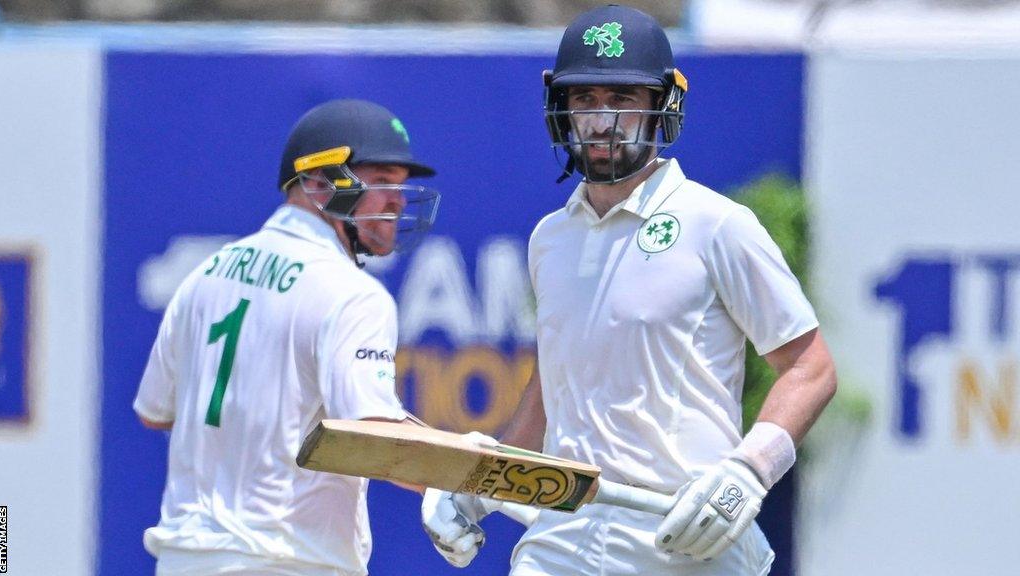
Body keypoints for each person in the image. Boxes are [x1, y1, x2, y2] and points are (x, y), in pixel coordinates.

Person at [421, 4, 837, 575]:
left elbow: (810, 368)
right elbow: (553, 390)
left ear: (662, 105)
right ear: (560, 109)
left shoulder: (715, 224)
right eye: (585, 101)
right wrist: (482, 485)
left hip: (685, 537)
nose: (602, 120)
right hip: (562, 536)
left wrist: (748, 472)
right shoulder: (551, 239)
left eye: (622, 99)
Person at [134, 98, 440, 576]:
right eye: (380, 180)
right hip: (288, 562)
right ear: (319, 183)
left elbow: (156, 413)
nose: (397, 199)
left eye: (400, 183)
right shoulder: (354, 294)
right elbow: (375, 441)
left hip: (183, 560)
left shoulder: (206, 272)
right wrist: (463, 480)